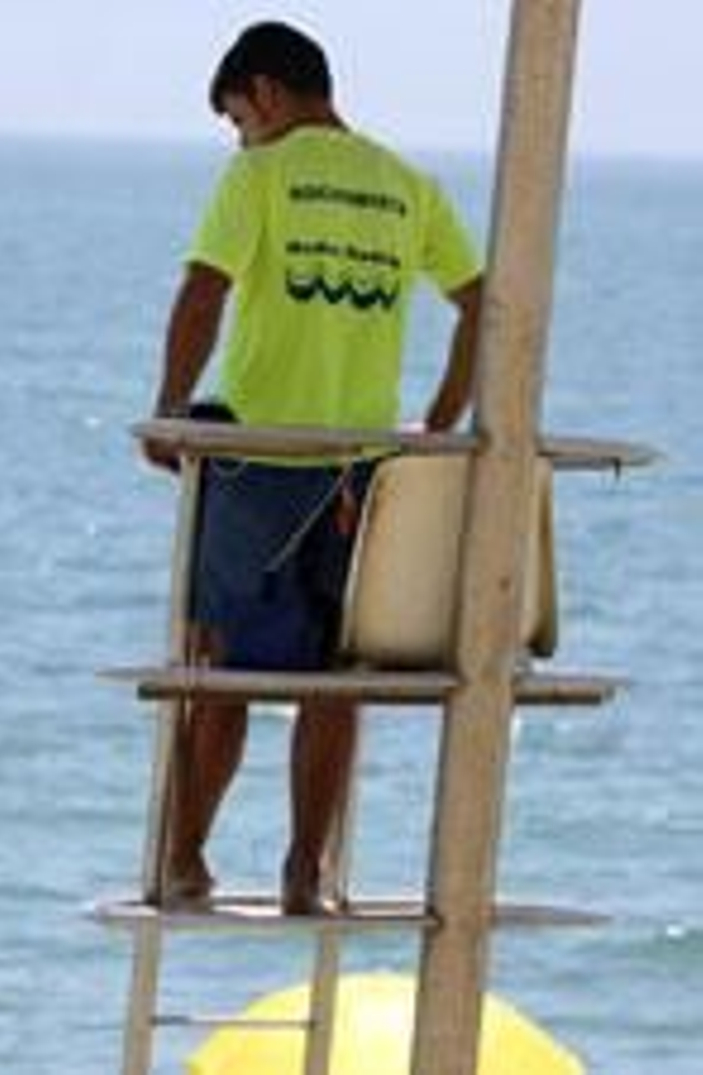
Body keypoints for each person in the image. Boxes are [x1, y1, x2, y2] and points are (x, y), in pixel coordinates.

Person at [143, 21, 484, 914]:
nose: (240, 138)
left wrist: (173, 409)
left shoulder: (259, 175)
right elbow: (481, 303)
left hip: (257, 457)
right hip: (362, 469)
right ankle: (306, 867)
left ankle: (186, 856)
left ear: (264, 92)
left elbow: (204, 290)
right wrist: (438, 424)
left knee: (219, 671)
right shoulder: (407, 187)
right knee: (337, 676)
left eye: (236, 119)